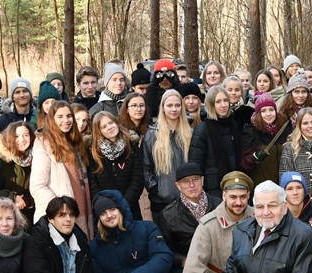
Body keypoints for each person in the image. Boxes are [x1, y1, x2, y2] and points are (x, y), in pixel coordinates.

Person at [156, 162, 217, 273]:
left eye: (195, 179)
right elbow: (165, 250)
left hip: (218, 262)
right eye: (185, 181)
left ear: (202, 180)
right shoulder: (168, 215)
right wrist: (183, 261)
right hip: (186, 262)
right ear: (177, 185)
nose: (191, 185)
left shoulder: (219, 205)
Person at [30, 101, 92, 235]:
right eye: (60, 117)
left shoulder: (75, 142)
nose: (66, 120)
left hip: (82, 211)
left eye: (69, 116)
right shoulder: (44, 143)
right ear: (52, 119)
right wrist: (60, 211)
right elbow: (37, 186)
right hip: (57, 218)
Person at [142, 89, 193, 219]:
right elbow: (145, 166)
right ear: (163, 108)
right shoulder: (152, 134)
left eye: (177, 105)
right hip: (161, 200)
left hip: (188, 198)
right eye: (169, 105)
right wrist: (155, 188)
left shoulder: (190, 133)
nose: (174, 109)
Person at [87, 111, 145, 220]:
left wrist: (124, 204)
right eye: (104, 126)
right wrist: (107, 207)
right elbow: (94, 184)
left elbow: (137, 178)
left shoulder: (131, 146)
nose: (109, 127)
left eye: (111, 123)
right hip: (106, 213)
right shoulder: (94, 153)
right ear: (99, 131)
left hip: (130, 208)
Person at [188, 85, 244, 194]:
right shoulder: (202, 129)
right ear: (211, 104)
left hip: (235, 184)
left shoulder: (233, 124)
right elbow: (196, 164)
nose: (223, 105)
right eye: (218, 102)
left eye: (225, 101)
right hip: (212, 189)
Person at [0, 121, 36, 226]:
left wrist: (24, 201)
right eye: (17, 136)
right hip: (0, 219)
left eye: (25, 135)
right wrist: (12, 197)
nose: (22, 140)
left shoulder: (36, 159)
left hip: (28, 218)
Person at [241, 92, 288, 186]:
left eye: (271, 110)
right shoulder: (250, 132)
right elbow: (243, 164)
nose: (268, 114)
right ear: (258, 113)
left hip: (283, 186)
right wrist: (253, 157)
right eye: (264, 111)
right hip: (261, 188)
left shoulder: (284, 129)